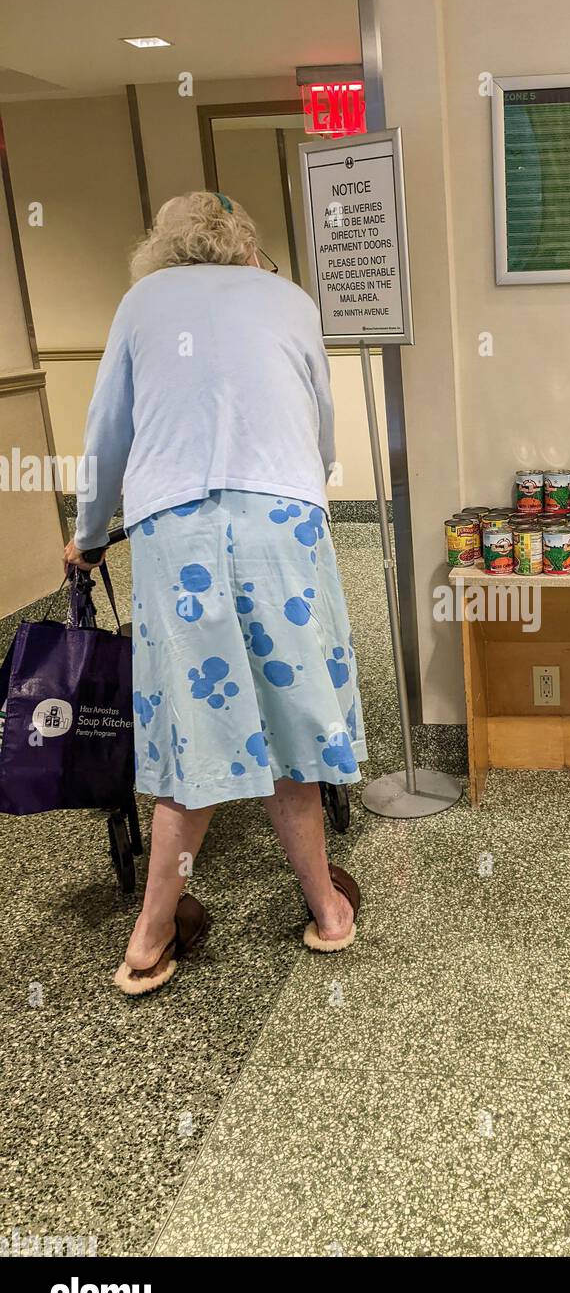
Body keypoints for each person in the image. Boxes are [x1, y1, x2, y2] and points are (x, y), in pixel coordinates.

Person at [65, 191, 366, 995]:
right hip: (282, 523)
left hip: (178, 530)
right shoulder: (289, 299)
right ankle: (328, 914)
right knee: (289, 715)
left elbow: (107, 435)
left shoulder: (141, 302)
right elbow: (322, 428)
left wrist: (89, 534)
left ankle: (149, 939)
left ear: (160, 247)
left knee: (198, 735)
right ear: (246, 245)